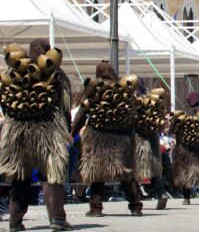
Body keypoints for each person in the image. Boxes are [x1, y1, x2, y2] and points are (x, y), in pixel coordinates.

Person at [0, 40, 73, 231]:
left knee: (20, 175)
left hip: (18, 130)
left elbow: (5, 102)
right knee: (51, 174)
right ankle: (57, 219)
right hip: (48, 128)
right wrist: (68, 128)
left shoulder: (12, 71)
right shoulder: (57, 73)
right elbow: (65, 106)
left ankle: (15, 221)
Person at [72, 61, 143, 217]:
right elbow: (135, 114)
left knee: (97, 173)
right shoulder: (125, 90)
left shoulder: (94, 89)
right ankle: (135, 206)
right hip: (122, 137)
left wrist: (73, 132)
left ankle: (95, 209)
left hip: (98, 137)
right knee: (126, 173)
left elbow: (82, 113)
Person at [134, 87, 169, 210]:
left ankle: (135, 198)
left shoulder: (136, 102)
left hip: (138, 138)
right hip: (153, 138)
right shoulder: (154, 103)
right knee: (154, 169)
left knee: (135, 169)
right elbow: (161, 124)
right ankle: (161, 193)